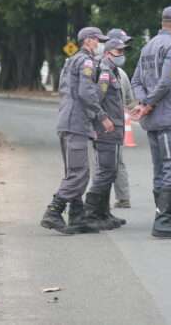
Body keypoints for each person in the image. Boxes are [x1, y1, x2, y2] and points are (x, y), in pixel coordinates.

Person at [40, 26, 111, 235]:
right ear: (88, 41)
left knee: (77, 171)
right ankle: (54, 211)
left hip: (71, 122)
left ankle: (77, 216)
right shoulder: (86, 61)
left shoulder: (72, 61)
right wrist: (102, 115)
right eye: (97, 40)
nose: (99, 44)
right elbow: (86, 92)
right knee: (79, 173)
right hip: (76, 123)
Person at [131, 5, 171, 239]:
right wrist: (149, 102)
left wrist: (143, 101)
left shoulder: (148, 47)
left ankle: (168, 215)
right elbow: (167, 81)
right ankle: (165, 221)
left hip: (153, 120)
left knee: (160, 169)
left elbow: (136, 80)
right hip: (170, 117)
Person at [84, 38, 130, 230]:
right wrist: (103, 118)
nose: (122, 55)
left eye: (122, 52)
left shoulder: (114, 73)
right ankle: (90, 212)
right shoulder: (104, 73)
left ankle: (103, 213)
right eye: (118, 52)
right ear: (107, 53)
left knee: (110, 172)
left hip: (115, 128)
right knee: (105, 172)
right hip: (106, 130)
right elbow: (96, 99)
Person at [107, 28, 135, 209]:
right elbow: (131, 103)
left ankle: (102, 202)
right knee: (115, 162)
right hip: (108, 125)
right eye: (120, 48)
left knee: (105, 164)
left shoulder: (120, 73)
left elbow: (131, 102)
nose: (122, 52)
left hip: (108, 127)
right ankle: (121, 197)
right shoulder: (110, 71)